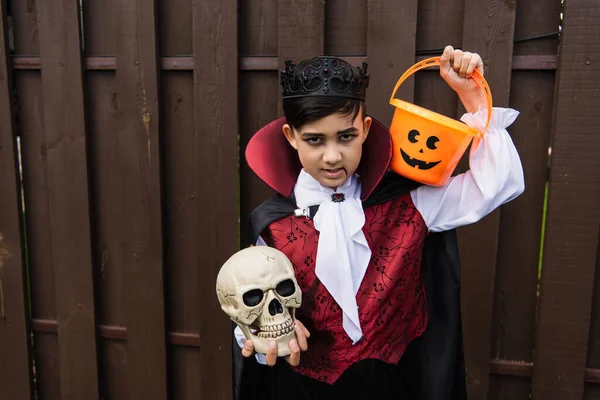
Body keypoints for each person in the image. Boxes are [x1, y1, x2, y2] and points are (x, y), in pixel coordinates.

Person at [235, 45, 524, 399]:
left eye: (346, 136)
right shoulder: (271, 226)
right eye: (314, 140)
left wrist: (475, 100)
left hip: (399, 384)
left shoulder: (410, 201)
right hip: (305, 387)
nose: (332, 156)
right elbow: (250, 308)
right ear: (291, 137)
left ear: (366, 129)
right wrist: (266, 332)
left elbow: (495, 186)